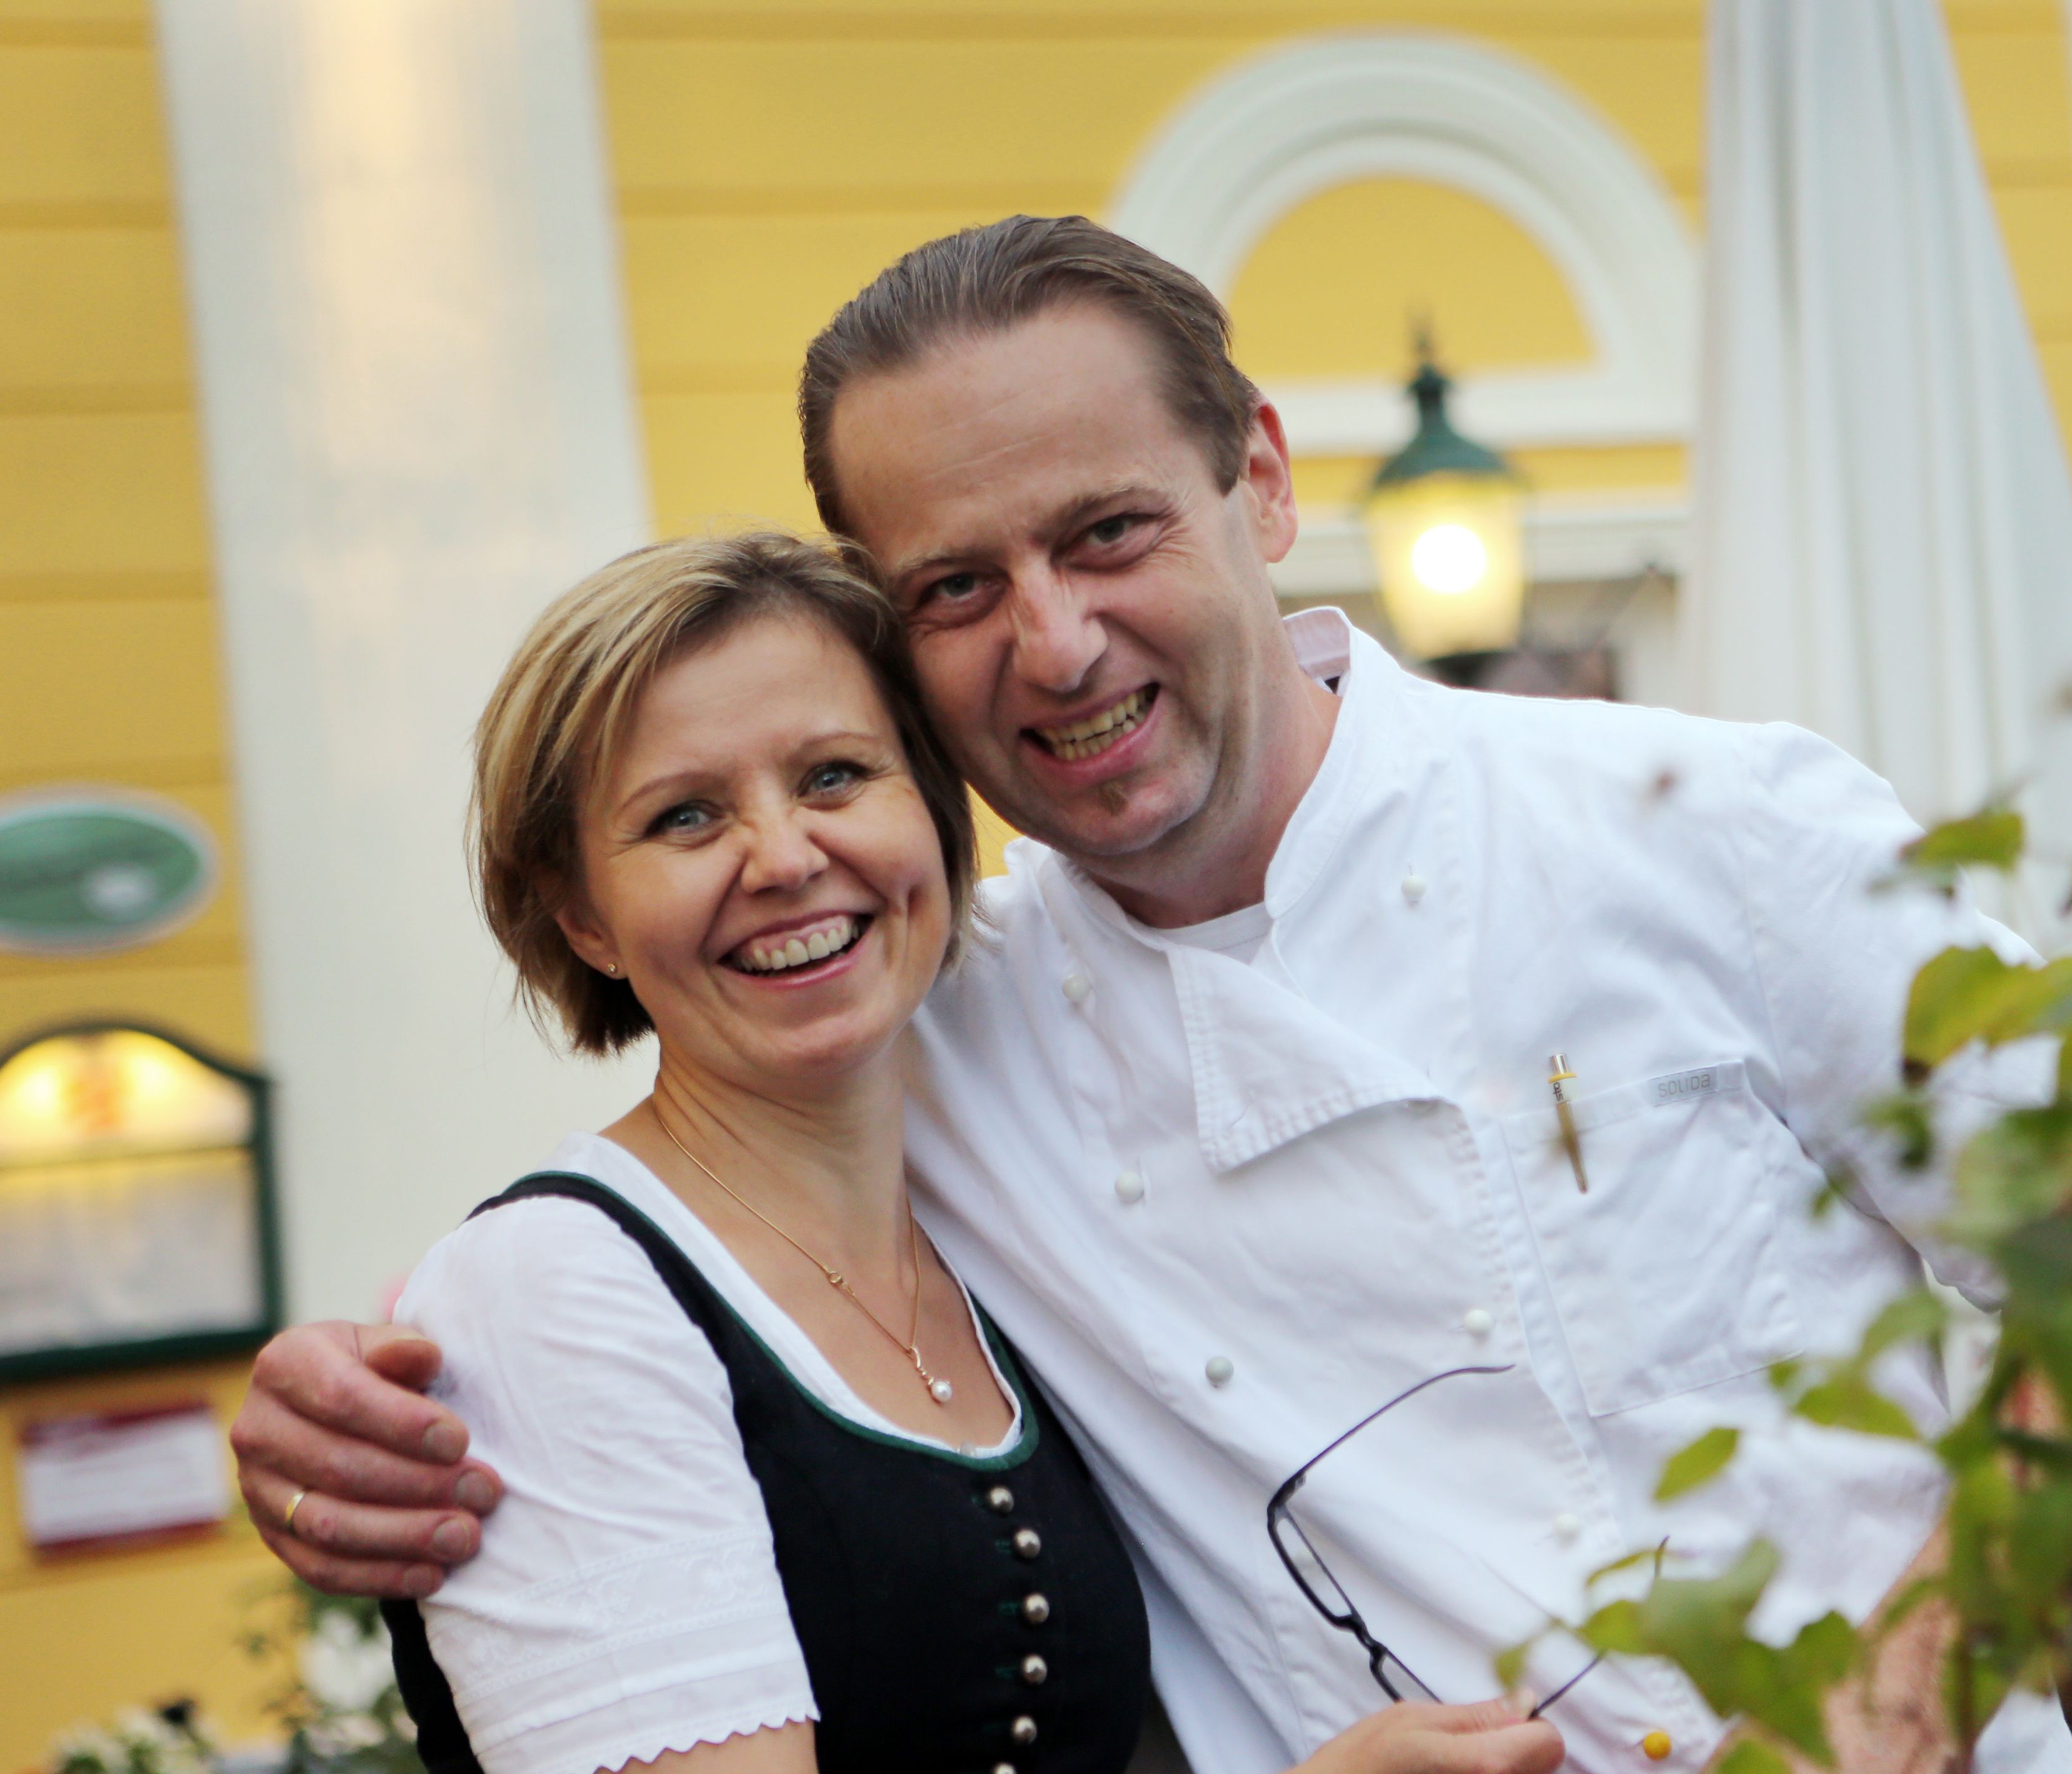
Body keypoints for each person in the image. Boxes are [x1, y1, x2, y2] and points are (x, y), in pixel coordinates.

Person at [232, 217, 2072, 1774]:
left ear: (1258, 483)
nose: (1053, 640)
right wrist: (350, 1397)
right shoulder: (933, 1019)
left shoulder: (1707, 823)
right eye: (957, 584)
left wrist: (1920, 1667)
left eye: (1105, 530)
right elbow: (660, 1249)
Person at [357, 529, 1561, 1774]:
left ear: (933, 819)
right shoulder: (552, 1291)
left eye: (833, 775)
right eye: (684, 815)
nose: (781, 857)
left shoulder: (984, 1228)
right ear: (583, 916)